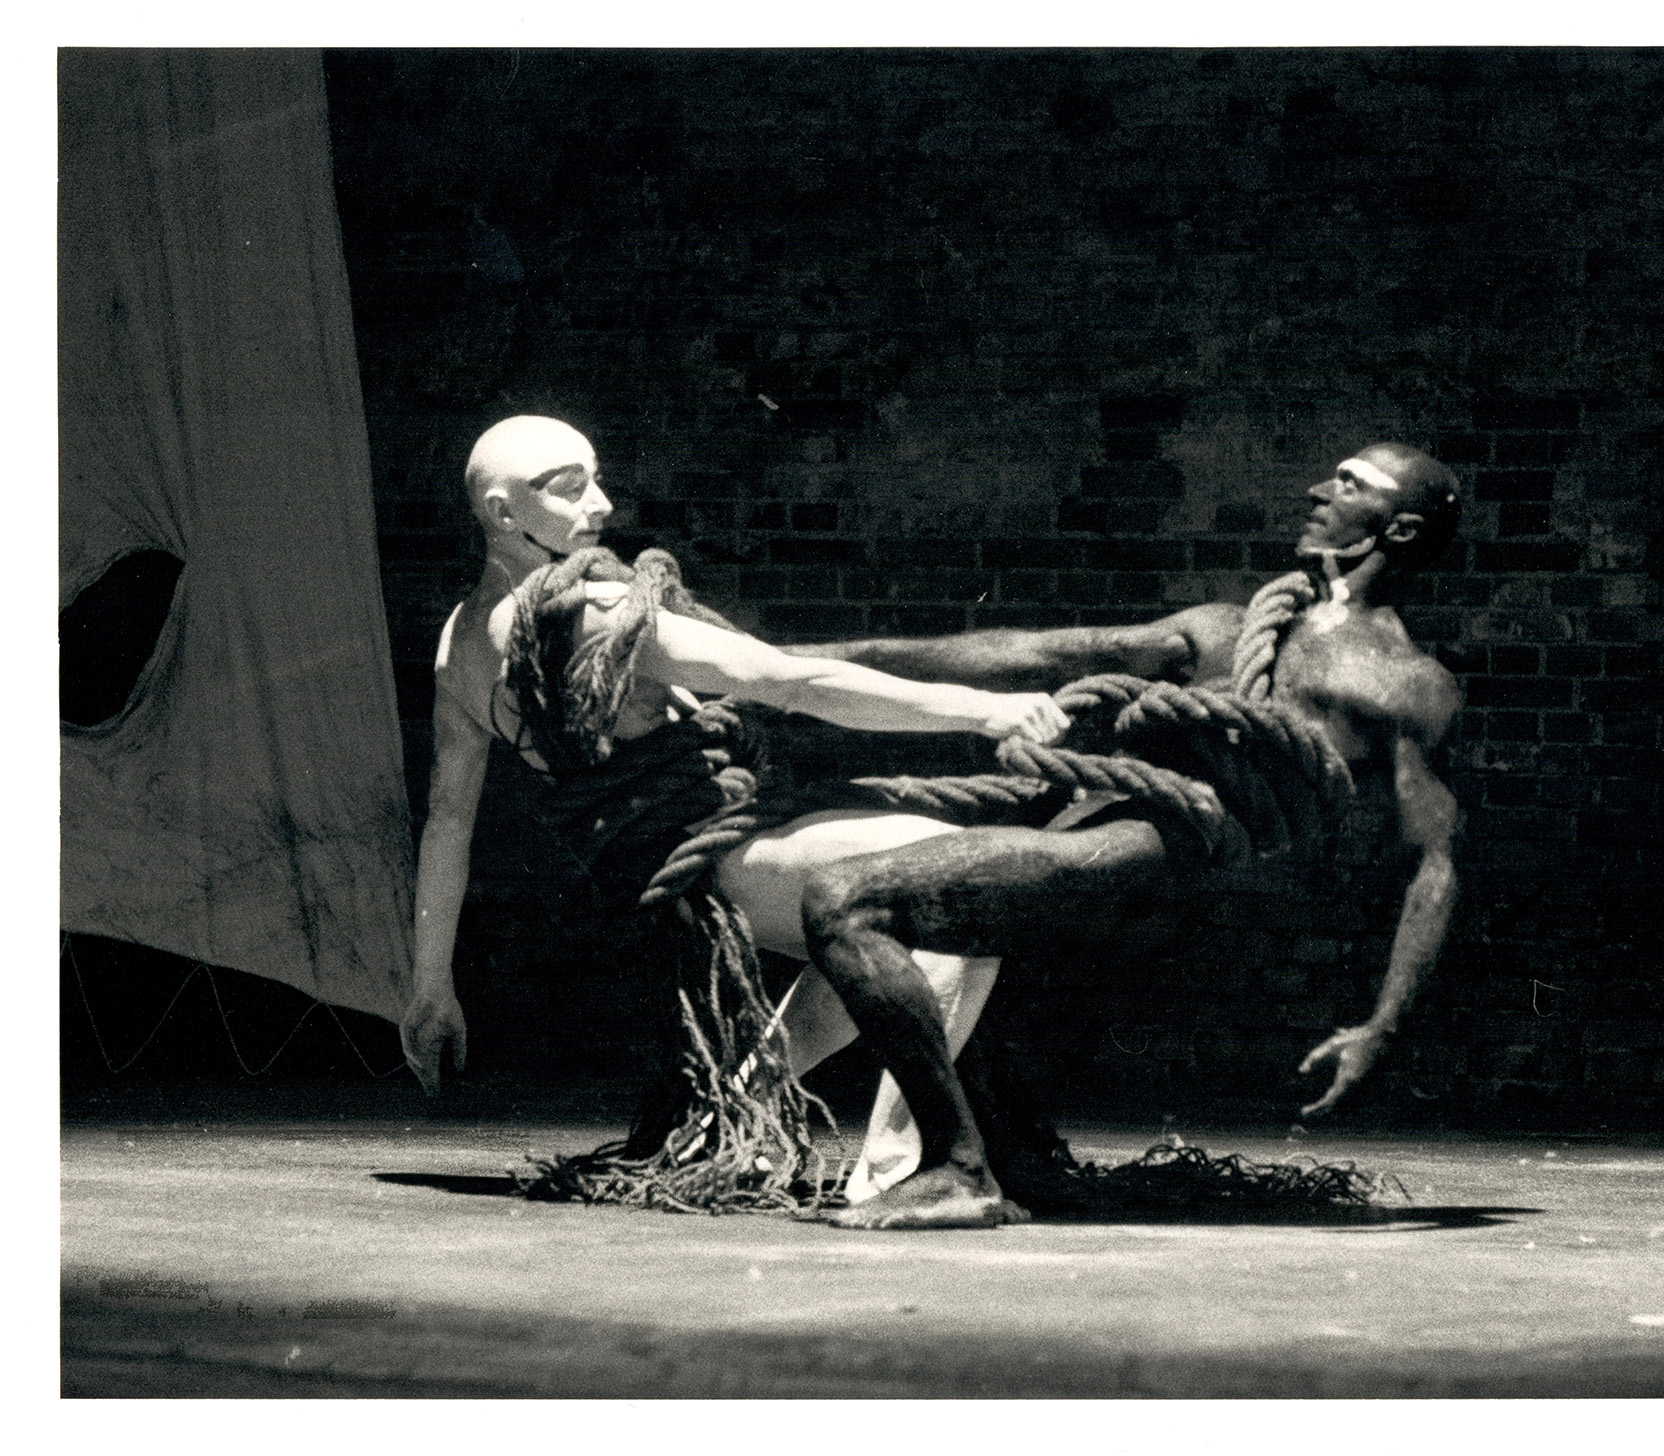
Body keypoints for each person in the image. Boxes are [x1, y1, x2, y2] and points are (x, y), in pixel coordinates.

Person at [784, 443, 1465, 1228]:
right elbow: (1030, 654)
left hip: (1156, 863)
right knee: (952, 917)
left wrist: (1384, 1026)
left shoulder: (1406, 683)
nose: (1318, 490)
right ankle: (1009, 1154)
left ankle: (955, 1168)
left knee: (845, 900)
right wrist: (786, 667)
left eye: (1349, 484)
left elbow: (1436, 859)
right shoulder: (1227, 630)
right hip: (1106, 844)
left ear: (1399, 529)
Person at [398, 416, 1069, 1108]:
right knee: (964, 889)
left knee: (885, 935)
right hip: (719, 858)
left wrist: (429, 987)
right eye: (570, 489)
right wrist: (982, 709)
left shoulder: (457, 645)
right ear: (504, 512)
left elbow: (447, 822)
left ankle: (737, 1113)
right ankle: (896, 1157)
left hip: (653, 877)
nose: (601, 504)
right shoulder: (594, 614)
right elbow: (790, 681)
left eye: (596, 480)